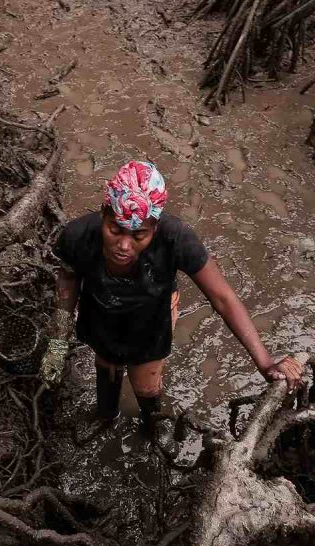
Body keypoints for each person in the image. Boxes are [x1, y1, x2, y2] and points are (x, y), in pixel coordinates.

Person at [39, 160, 303, 440]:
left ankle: (151, 426)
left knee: (145, 382)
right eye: (115, 230)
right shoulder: (78, 235)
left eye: (139, 235)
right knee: (106, 363)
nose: (124, 246)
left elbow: (223, 298)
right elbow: (68, 279)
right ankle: (105, 414)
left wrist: (264, 362)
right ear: (104, 214)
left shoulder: (176, 239)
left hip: (152, 317)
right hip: (101, 308)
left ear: (155, 227)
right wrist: (57, 343)